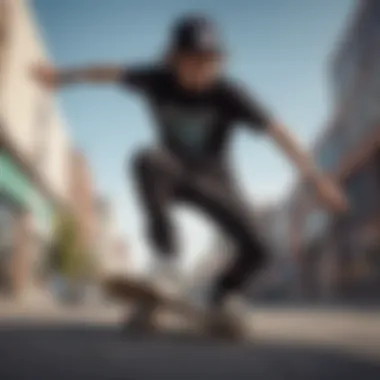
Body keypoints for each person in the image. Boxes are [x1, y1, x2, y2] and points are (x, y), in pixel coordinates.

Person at [33, 14, 347, 321]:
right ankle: (166, 264)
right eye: (192, 61)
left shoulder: (230, 94)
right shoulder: (157, 79)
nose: (200, 70)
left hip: (216, 181)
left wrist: (316, 180)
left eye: (208, 62)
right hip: (172, 172)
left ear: (219, 62)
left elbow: (279, 133)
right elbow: (107, 73)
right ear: (173, 58)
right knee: (146, 160)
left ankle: (220, 296)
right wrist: (62, 77)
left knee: (260, 249)